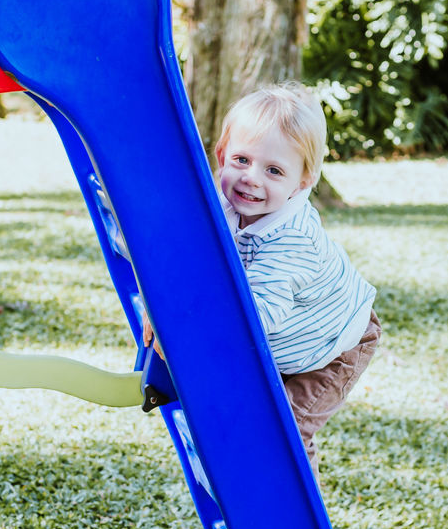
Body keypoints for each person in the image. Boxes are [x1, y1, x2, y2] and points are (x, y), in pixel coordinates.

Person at [144, 82, 380, 486]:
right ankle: (241, 493)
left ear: (302, 181)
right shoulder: (225, 203)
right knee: (247, 418)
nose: (251, 179)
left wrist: (185, 327)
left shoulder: (291, 242)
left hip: (333, 349)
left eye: (273, 170)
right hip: (289, 339)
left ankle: (291, 525)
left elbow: (257, 317)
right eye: (241, 159)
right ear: (221, 156)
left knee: (283, 432)